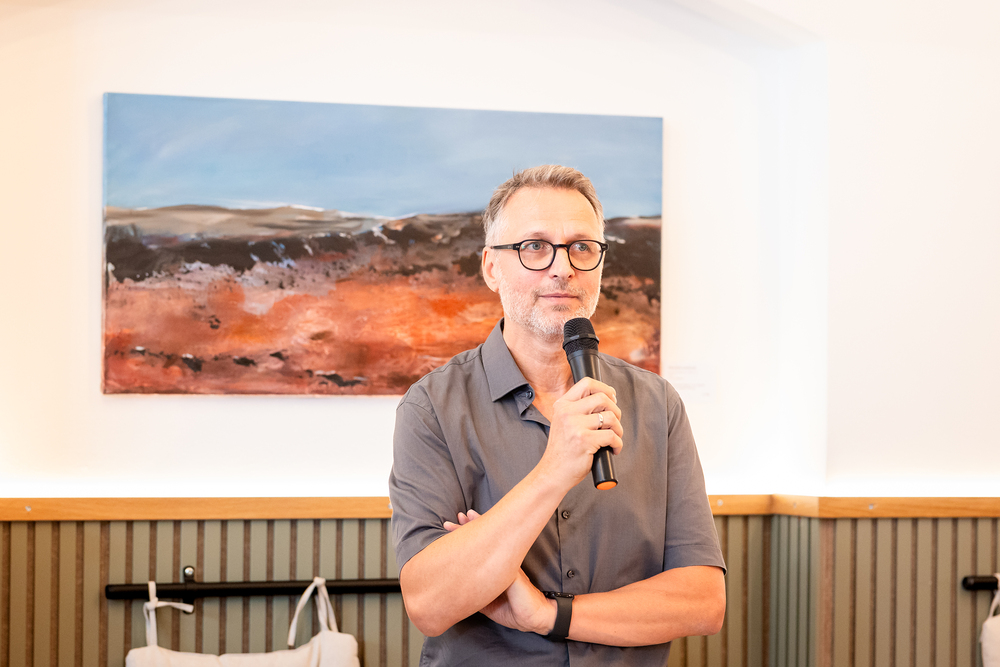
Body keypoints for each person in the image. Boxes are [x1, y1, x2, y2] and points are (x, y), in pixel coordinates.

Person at [389, 165, 726, 665]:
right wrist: (553, 470)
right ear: (491, 268)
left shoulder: (658, 405)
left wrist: (549, 615)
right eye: (535, 246)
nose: (563, 268)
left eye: (581, 247)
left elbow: (702, 603)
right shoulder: (433, 407)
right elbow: (430, 604)